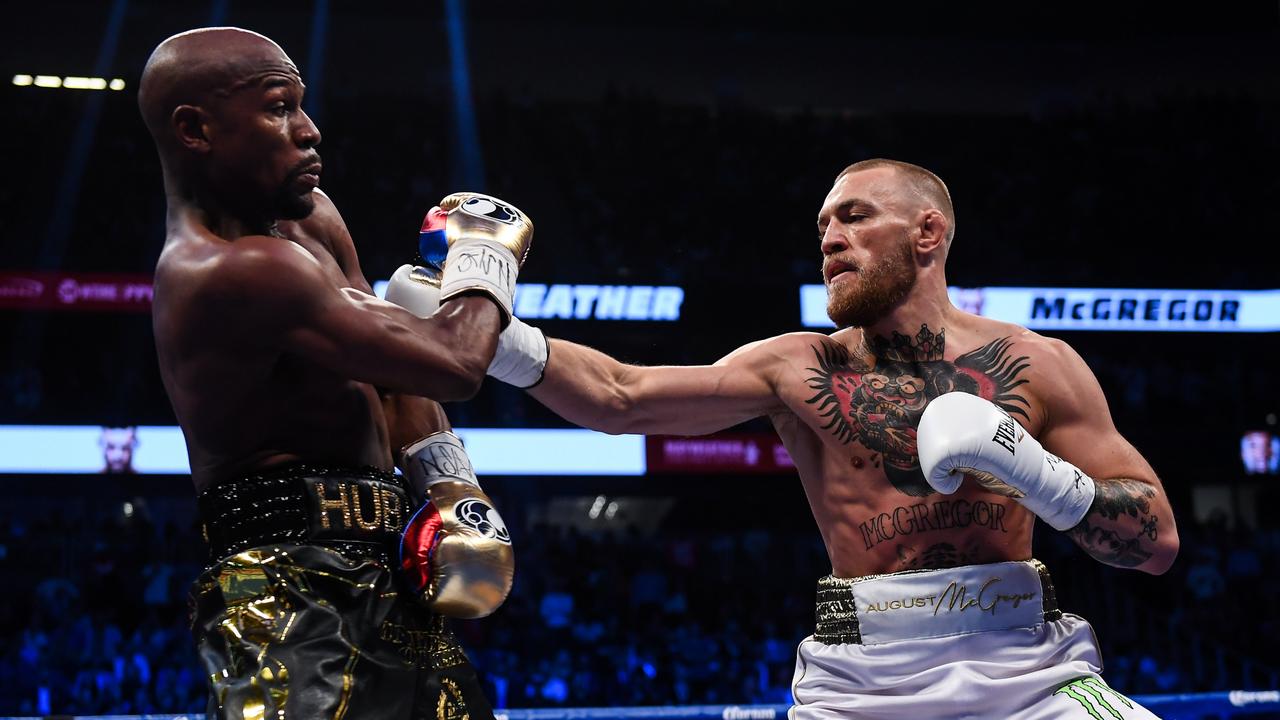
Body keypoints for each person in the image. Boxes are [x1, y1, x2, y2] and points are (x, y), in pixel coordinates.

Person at [478, 158, 1180, 718]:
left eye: (855, 217)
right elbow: (620, 396)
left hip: (1029, 670)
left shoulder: (1038, 364)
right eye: (823, 228)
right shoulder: (801, 365)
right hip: (862, 684)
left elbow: (1155, 545)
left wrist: (1030, 469)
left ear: (927, 234)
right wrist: (495, 335)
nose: (830, 240)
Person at [140, 26, 533, 720]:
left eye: (302, 105)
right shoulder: (229, 271)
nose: (310, 130)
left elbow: (393, 376)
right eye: (278, 108)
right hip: (287, 597)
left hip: (396, 574)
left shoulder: (311, 220)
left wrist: (451, 490)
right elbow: (454, 363)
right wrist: (483, 262)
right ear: (196, 129)